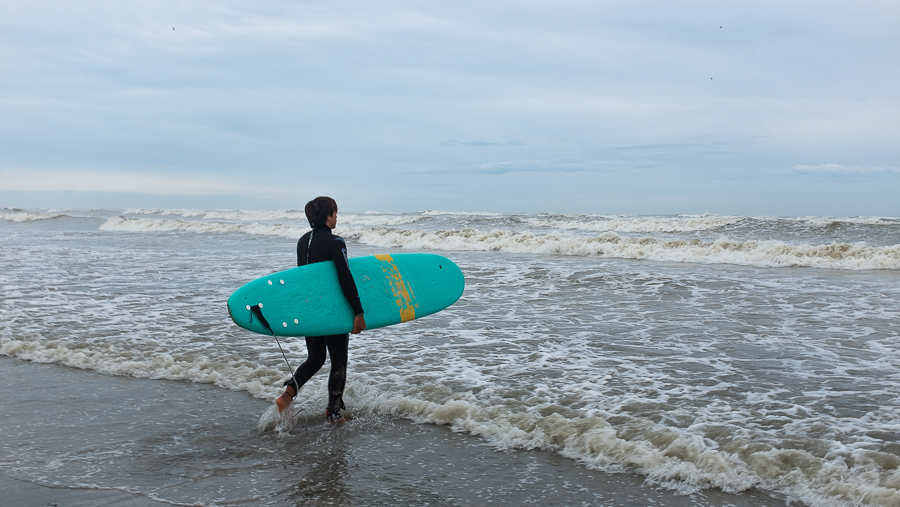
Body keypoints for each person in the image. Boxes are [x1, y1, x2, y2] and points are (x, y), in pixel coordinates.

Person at [275, 196, 366, 423]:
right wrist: (358, 311)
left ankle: (287, 395)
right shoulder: (336, 242)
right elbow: (345, 277)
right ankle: (333, 413)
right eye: (335, 213)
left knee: (316, 357)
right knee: (338, 360)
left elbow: (305, 279)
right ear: (328, 215)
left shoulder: (302, 242)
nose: (337, 217)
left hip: (309, 309)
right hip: (331, 310)